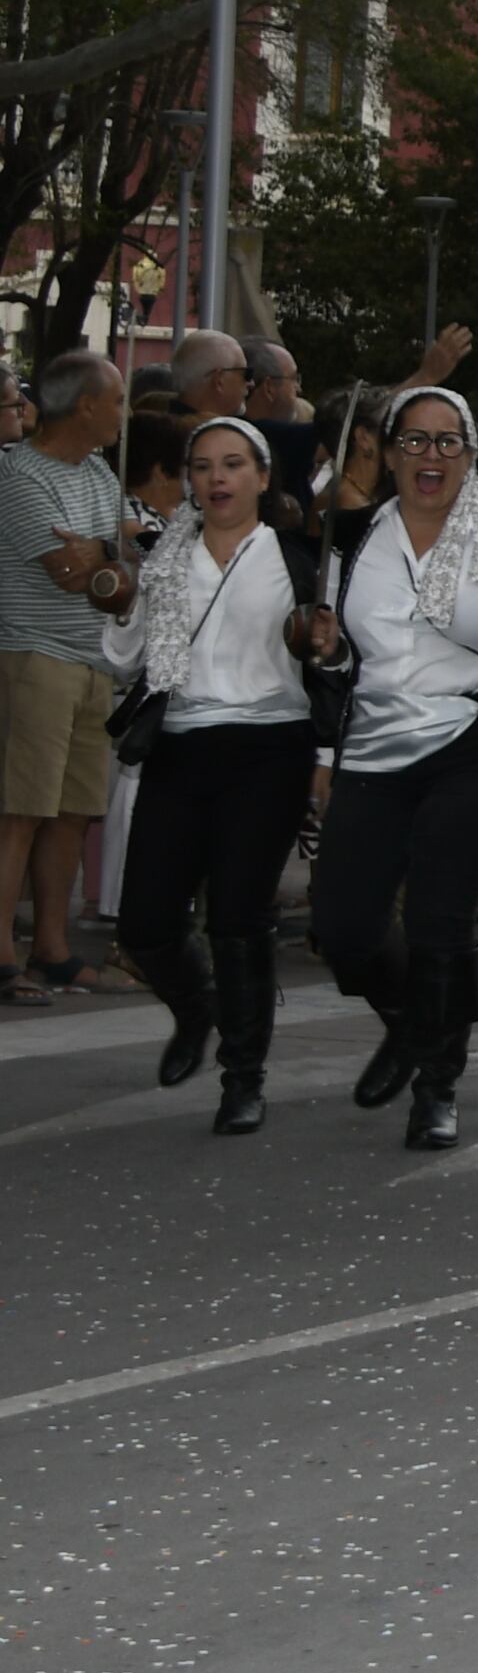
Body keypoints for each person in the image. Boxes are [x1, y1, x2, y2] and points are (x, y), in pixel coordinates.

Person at [305, 387, 478, 1149]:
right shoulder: (352, 539)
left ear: (471, 452)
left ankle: (437, 1083)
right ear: (389, 454)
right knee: (343, 928)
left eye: (448, 441)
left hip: (475, 735)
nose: (432, 456)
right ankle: (411, 1021)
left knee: (439, 912)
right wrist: (329, 661)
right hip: (373, 739)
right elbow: (340, 661)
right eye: (415, 441)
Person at [110, 418, 325, 1132]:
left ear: (262, 477)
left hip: (269, 748)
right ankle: (195, 1006)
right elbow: (123, 660)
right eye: (202, 467)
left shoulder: (297, 560)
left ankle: (243, 1076)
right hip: (179, 743)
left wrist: (329, 650)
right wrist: (123, 604)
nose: (217, 478)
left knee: (239, 917)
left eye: (233, 464)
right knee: (144, 924)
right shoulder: (165, 559)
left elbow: (332, 663)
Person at [0, 354, 131, 1002]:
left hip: (92, 659)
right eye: (116, 401)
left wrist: (107, 552)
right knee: (20, 811)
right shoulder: (18, 475)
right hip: (35, 658)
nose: (122, 413)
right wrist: (112, 557)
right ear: (85, 405)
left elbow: (123, 557)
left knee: (73, 813)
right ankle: (1, 956)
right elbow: (71, 573)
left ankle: (51, 950)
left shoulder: (100, 473)